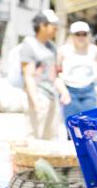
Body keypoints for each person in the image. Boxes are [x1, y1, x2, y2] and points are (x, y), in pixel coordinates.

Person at [21, 10, 71, 140]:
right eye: (54, 26)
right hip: (38, 96)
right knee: (34, 136)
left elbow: (54, 75)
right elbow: (28, 75)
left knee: (51, 137)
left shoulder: (51, 47)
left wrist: (64, 91)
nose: (56, 30)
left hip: (52, 96)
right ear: (42, 26)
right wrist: (34, 101)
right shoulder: (29, 45)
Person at [57, 21, 97, 117]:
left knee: (89, 124)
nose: (81, 37)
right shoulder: (63, 50)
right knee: (71, 124)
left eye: (84, 34)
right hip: (69, 91)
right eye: (77, 34)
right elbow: (57, 74)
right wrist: (63, 91)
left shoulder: (94, 50)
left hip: (88, 91)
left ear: (88, 35)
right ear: (72, 35)